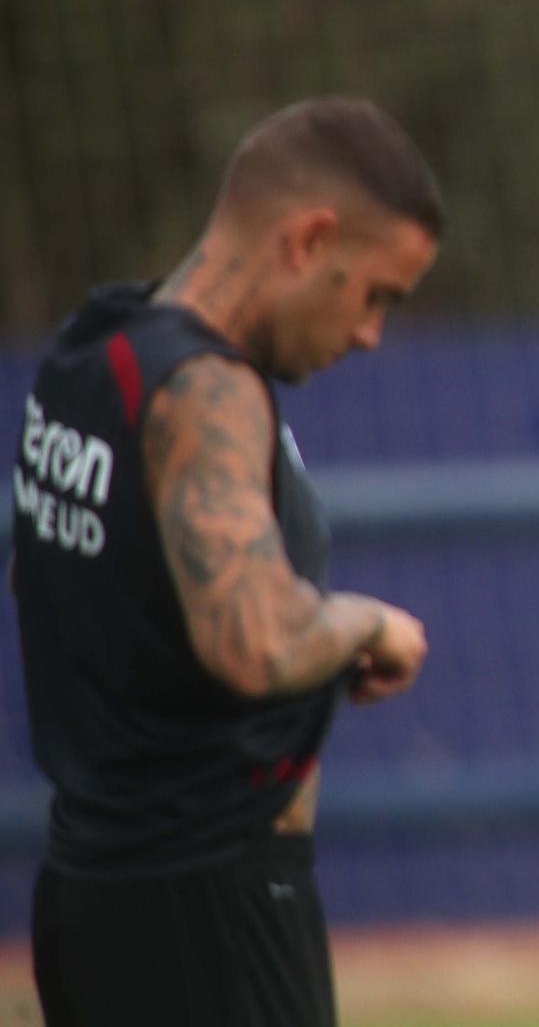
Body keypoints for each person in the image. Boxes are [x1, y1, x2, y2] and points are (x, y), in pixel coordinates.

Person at [12, 97, 442, 1026]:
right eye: (375, 293)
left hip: (96, 892)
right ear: (309, 239)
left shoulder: (97, 353)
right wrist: (364, 623)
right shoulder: (208, 389)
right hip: (210, 912)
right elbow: (253, 639)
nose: (370, 334)